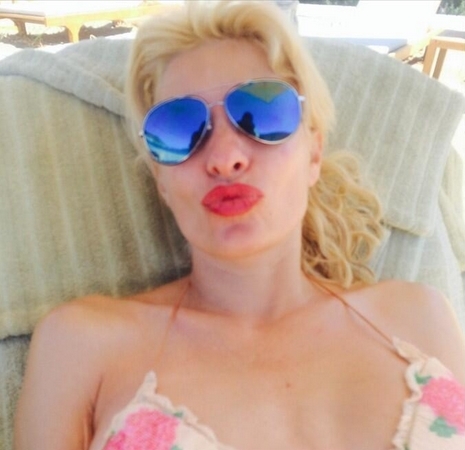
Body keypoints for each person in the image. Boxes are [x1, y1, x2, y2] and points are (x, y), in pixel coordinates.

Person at [14, 1, 465, 449]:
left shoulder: (420, 318)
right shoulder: (82, 347)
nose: (225, 158)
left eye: (262, 113)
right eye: (180, 128)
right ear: (161, 180)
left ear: (313, 153)